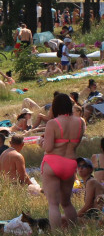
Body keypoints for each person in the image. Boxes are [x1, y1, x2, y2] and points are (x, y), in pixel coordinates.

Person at [40, 91, 85, 228]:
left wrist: (40, 142)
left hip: (53, 162)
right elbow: (76, 142)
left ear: (55, 107)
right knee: (66, 202)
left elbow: (48, 148)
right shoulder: (80, 122)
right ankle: (73, 230)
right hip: (70, 163)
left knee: (53, 204)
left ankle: (57, 235)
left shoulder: (53, 123)